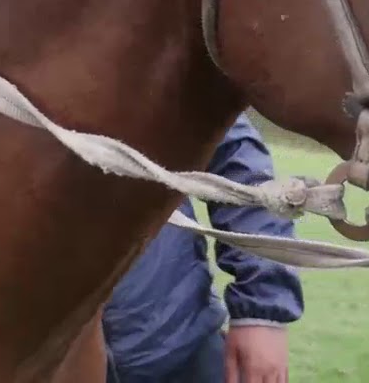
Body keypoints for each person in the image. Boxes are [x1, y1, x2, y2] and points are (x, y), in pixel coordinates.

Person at [102, 113, 304, 383]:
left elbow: (234, 153)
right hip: (42, 362)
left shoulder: (145, 70)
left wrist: (261, 311)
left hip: (178, 346)